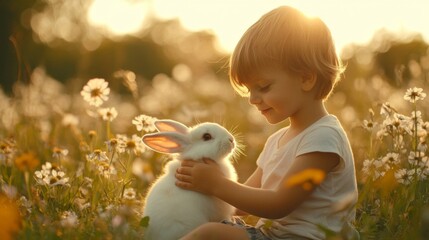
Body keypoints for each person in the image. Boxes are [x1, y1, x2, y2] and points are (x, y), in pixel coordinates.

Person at [175, 5, 358, 240]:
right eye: (249, 89)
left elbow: (279, 204)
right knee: (210, 226)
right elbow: (243, 203)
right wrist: (199, 188)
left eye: (263, 87)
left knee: (210, 234)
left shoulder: (323, 138)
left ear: (306, 78)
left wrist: (216, 185)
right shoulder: (277, 141)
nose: (252, 98)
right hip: (270, 235)